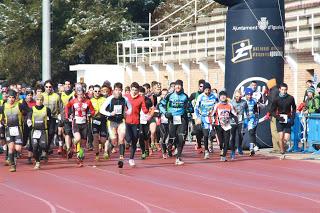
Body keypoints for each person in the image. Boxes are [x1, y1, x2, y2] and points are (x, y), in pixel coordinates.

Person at [159, 79, 193, 165]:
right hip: (172, 119)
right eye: (176, 85)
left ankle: (178, 157)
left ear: (182, 87)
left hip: (182, 119)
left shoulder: (185, 96)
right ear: (174, 87)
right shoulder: (169, 95)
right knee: (173, 137)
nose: (178, 87)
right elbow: (161, 105)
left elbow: (191, 108)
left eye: (179, 85)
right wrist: (166, 113)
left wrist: (187, 109)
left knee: (181, 138)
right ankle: (170, 145)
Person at [100, 82, 132, 167]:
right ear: (114, 90)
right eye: (116, 90)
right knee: (114, 142)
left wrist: (127, 112)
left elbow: (130, 108)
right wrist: (110, 113)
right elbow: (101, 110)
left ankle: (121, 158)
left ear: (122, 90)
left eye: (119, 90)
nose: (117, 92)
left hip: (121, 121)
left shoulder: (125, 99)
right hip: (112, 122)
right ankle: (108, 150)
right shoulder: (110, 99)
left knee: (121, 139)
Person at [65, 86, 95, 167]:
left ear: (84, 94)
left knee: (83, 144)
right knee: (77, 138)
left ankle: (80, 159)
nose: (80, 97)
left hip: (84, 123)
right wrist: (67, 116)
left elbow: (93, 110)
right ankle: (71, 147)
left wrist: (90, 114)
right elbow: (67, 107)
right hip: (76, 123)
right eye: (79, 95)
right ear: (76, 94)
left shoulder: (88, 102)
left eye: (82, 94)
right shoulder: (73, 101)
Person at [1, 90, 29, 172]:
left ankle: (14, 156)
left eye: (13, 97)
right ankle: (12, 165)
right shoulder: (3, 106)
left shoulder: (19, 105)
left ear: (15, 98)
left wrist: (28, 118)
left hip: (18, 129)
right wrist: (2, 121)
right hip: (9, 129)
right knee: (11, 147)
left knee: (18, 148)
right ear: (7, 98)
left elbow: (29, 111)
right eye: (9, 97)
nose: (11, 99)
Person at [124, 82, 148, 167]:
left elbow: (144, 108)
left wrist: (147, 111)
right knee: (128, 138)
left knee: (134, 140)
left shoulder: (141, 98)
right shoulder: (126, 97)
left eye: (136, 90)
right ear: (130, 89)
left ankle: (131, 158)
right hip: (127, 121)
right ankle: (126, 141)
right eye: (133, 90)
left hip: (136, 122)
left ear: (138, 91)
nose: (134, 92)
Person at [271, 83, 296, 160]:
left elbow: (294, 108)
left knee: (286, 139)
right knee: (281, 137)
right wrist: (278, 117)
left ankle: (282, 145)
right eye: (282, 90)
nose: (284, 91)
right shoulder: (276, 99)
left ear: (287, 89)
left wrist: (292, 118)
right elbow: (272, 111)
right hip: (280, 119)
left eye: (285, 90)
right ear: (279, 90)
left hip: (288, 119)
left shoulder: (291, 98)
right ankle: (282, 152)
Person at [27, 94, 51, 170]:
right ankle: (37, 162)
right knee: (34, 147)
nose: (39, 101)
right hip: (34, 131)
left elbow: (49, 120)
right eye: (37, 99)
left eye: (41, 100)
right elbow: (29, 118)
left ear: (43, 101)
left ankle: (43, 154)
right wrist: (29, 124)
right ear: (35, 100)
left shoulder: (47, 109)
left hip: (43, 131)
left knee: (43, 146)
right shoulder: (32, 109)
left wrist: (49, 129)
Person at [194, 82, 218, 159]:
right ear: (204, 90)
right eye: (206, 90)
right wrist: (198, 117)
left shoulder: (214, 96)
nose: (207, 92)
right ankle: (206, 151)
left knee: (212, 135)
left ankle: (211, 145)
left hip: (212, 118)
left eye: (208, 90)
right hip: (204, 118)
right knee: (205, 135)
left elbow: (218, 105)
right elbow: (196, 108)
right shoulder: (200, 97)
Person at [212, 91, 237, 162]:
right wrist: (212, 123)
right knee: (220, 142)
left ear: (226, 97)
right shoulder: (217, 105)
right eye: (221, 96)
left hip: (227, 125)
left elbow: (235, 114)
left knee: (226, 141)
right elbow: (211, 114)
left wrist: (236, 121)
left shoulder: (230, 105)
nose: (223, 97)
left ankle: (224, 156)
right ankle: (222, 148)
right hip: (218, 125)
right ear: (219, 97)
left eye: (224, 96)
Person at [42, 80, 62, 155]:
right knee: (43, 134)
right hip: (42, 118)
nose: (48, 88)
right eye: (46, 87)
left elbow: (61, 107)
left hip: (53, 118)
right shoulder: (41, 95)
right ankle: (43, 150)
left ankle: (47, 148)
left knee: (51, 133)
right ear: (44, 87)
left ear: (52, 87)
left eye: (50, 87)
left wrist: (61, 117)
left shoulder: (56, 96)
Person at [90, 85, 108, 162]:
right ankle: (97, 154)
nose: (97, 93)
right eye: (95, 91)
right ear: (93, 92)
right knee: (95, 136)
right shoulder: (90, 100)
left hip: (103, 120)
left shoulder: (104, 99)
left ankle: (101, 144)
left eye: (98, 91)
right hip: (95, 121)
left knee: (103, 140)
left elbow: (109, 108)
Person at [190, 79, 205, 153]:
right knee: (198, 131)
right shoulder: (193, 95)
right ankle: (199, 144)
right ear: (198, 86)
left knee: (204, 132)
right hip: (196, 116)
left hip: (205, 116)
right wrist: (190, 111)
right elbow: (189, 104)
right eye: (201, 86)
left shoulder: (207, 95)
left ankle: (206, 145)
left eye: (203, 86)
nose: (202, 88)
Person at [230, 90, 247, 157]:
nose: (237, 97)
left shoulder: (244, 102)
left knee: (240, 135)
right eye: (236, 96)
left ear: (241, 96)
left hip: (240, 121)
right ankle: (233, 151)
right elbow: (228, 111)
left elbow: (247, 109)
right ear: (234, 96)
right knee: (233, 136)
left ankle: (239, 147)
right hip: (232, 121)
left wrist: (247, 117)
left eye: (239, 96)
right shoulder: (231, 102)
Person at [243, 88, 259, 156]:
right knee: (241, 133)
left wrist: (255, 115)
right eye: (248, 95)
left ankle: (251, 149)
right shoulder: (242, 100)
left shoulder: (254, 101)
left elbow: (256, 110)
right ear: (245, 95)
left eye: (251, 95)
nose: (249, 96)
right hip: (243, 119)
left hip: (251, 119)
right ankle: (238, 147)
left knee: (251, 132)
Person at [266, 78, 280, 153]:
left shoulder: (273, 91)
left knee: (274, 131)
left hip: (274, 113)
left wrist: (269, 112)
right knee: (273, 131)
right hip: (275, 112)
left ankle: (282, 144)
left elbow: (272, 103)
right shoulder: (275, 90)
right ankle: (276, 148)